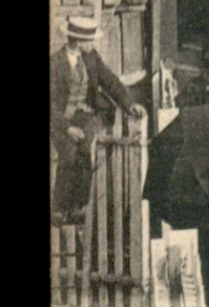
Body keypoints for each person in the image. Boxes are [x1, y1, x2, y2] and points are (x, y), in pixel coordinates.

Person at [51, 17, 144, 219]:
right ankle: (58, 209)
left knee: (85, 151)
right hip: (59, 120)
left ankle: (79, 208)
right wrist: (66, 128)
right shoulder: (55, 64)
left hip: (85, 114)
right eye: (89, 41)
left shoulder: (92, 57)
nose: (92, 45)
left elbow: (110, 81)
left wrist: (129, 104)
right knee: (67, 154)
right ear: (77, 40)